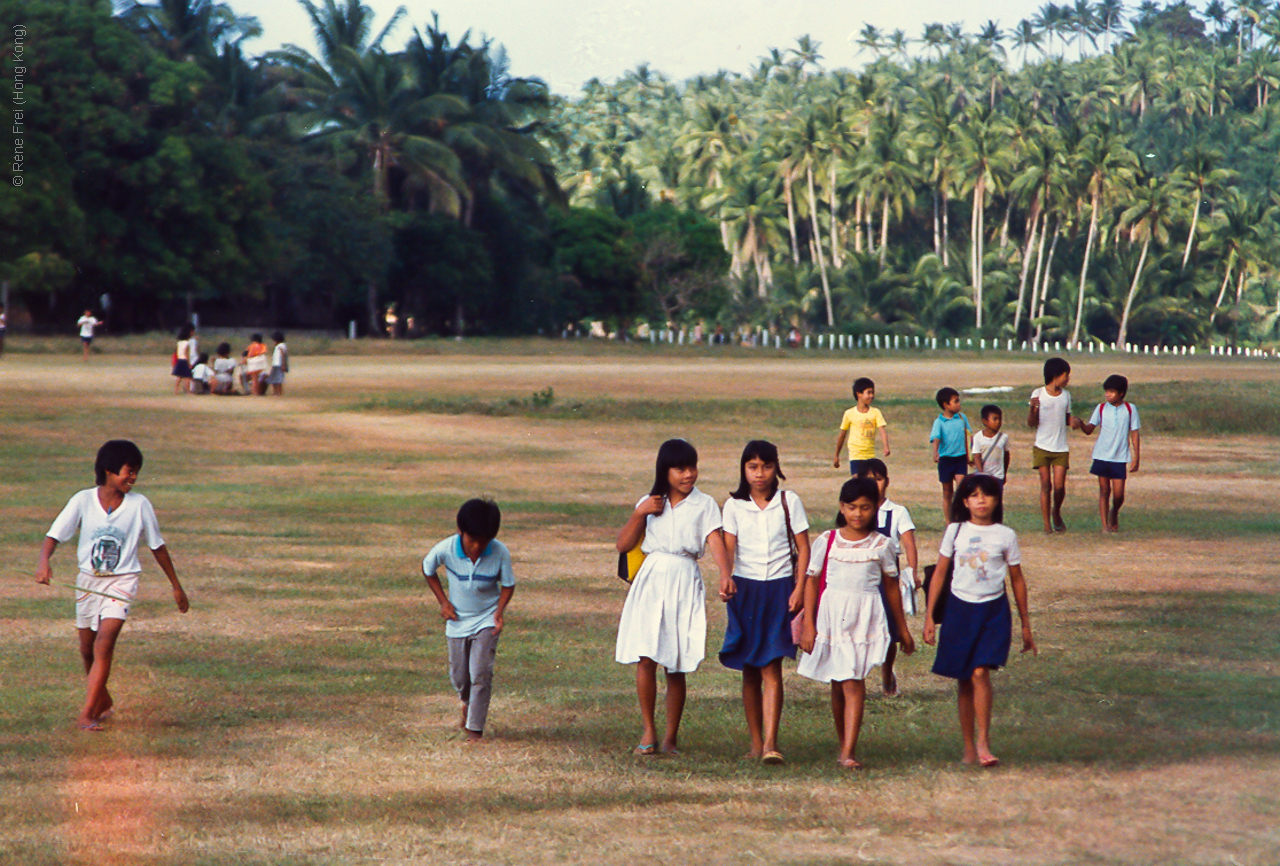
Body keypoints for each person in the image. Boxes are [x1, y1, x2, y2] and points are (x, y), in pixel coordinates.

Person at [35, 440, 190, 731]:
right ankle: (102, 699)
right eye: (128, 471)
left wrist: (176, 586)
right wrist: (44, 562)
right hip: (88, 582)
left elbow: (157, 546)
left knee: (104, 643)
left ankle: (87, 713)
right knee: (86, 649)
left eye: (136, 473)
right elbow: (53, 536)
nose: (133, 478)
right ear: (108, 471)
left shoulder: (140, 505)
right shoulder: (82, 500)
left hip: (123, 582)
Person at [615, 438, 732, 756]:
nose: (688, 474)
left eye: (692, 467)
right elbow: (623, 545)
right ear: (665, 471)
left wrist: (725, 574)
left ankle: (670, 737)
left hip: (683, 579)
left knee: (676, 661)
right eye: (680, 469)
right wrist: (640, 514)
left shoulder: (704, 504)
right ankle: (648, 731)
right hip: (652, 578)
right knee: (646, 656)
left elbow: (715, 540)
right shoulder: (651, 503)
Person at [797, 477, 913, 769]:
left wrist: (902, 628)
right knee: (837, 683)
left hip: (865, 617)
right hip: (833, 615)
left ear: (875, 508)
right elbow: (812, 581)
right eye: (851, 507)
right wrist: (809, 624)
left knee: (853, 681)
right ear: (841, 507)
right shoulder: (827, 541)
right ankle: (843, 743)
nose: (858, 514)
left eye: (864, 507)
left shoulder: (883, 544)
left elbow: (891, 587)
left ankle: (848, 751)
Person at [923, 474, 1036, 768]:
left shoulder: (1005, 535)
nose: (981, 500)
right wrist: (928, 617)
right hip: (959, 609)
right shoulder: (955, 531)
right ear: (964, 501)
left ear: (997, 500)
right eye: (974, 495)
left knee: (980, 672)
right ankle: (968, 747)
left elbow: (1017, 579)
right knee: (964, 680)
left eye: (987, 495)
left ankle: (984, 742)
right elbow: (939, 574)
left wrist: (1026, 624)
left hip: (992, 610)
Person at [719, 440, 810, 765]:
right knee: (749, 668)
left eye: (767, 466)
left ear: (777, 468)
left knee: (771, 665)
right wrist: (725, 577)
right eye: (753, 467)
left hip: (780, 590)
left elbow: (803, 547)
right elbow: (728, 548)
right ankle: (756, 743)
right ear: (744, 469)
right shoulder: (733, 506)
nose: (760, 474)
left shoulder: (789, 501)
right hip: (745, 590)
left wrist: (799, 588)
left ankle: (772, 743)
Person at [421, 499, 515, 742]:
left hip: (486, 619)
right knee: (461, 676)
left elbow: (507, 585)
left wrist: (499, 612)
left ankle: (475, 729)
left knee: (481, 673)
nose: (476, 546)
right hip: (457, 621)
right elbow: (428, 569)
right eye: (472, 539)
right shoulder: (445, 549)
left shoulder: (500, 552)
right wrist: (443, 602)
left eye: (484, 542)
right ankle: (466, 702)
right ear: (460, 531)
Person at [856, 458, 919, 696]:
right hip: (861, 577)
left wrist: (912, 571)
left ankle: (886, 672)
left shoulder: (897, 512)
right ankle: (857, 678)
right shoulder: (856, 510)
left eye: (879, 479)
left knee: (891, 630)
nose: (874, 484)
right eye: (869, 479)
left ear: (887, 482)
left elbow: (909, 543)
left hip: (888, 578)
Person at [1077, 374, 1142, 533]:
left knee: (1119, 495)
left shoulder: (1129, 409)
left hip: (1120, 457)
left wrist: (1136, 457)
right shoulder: (1100, 408)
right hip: (1101, 455)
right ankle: (1105, 525)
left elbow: (1134, 433)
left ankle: (1114, 512)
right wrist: (1080, 424)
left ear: (1121, 393)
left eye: (1112, 392)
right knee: (1104, 490)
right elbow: (1089, 430)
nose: (1108, 395)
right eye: (1106, 391)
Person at [1028, 357, 1075, 534]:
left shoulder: (1066, 396)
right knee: (1045, 484)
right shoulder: (1038, 393)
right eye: (1066, 375)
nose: (1068, 379)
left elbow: (1066, 418)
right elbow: (1031, 423)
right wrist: (1033, 410)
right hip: (1042, 445)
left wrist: (1074, 422)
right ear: (1056, 375)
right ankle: (1047, 523)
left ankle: (1056, 512)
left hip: (1060, 447)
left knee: (1060, 486)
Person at [930, 387, 972, 523]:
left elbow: (968, 436)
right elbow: (936, 438)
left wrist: (970, 454)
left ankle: (962, 517)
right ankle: (949, 522)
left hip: (960, 458)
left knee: (962, 488)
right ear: (945, 405)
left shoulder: (962, 418)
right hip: (946, 460)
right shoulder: (939, 422)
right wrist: (935, 453)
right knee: (947, 492)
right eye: (955, 401)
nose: (959, 404)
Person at [833, 377, 890, 476]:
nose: (871, 396)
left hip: (870, 455)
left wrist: (886, 447)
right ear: (858, 394)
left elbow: (882, 431)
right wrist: (836, 455)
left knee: (869, 483)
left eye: (873, 393)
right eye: (868, 393)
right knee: (858, 483)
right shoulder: (849, 413)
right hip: (856, 456)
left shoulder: (875, 412)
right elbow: (842, 435)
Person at [972, 404, 1011, 485]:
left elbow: (1006, 456)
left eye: (1000, 419)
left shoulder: (1003, 437)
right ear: (985, 421)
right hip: (984, 476)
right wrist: (981, 473)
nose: (998, 422)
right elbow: (977, 457)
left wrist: (1004, 474)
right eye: (995, 419)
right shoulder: (978, 437)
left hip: (998, 476)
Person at [265, 331, 289, 396]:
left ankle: (279, 392)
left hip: (279, 365)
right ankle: (275, 392)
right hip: (275, 364)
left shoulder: (281, 346)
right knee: (273, 379)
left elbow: (283, 355)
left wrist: (284, 365)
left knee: (278, 380)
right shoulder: (278, 346)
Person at [171, 324, 193, 394]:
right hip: (184, 361)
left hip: (179, 360)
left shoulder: (179, 343)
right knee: (187, 377)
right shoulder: (187, 343)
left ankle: (176, 390)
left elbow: (177, 353)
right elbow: (186, 354)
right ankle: (188, 391)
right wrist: (189, 363)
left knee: (179, 377)